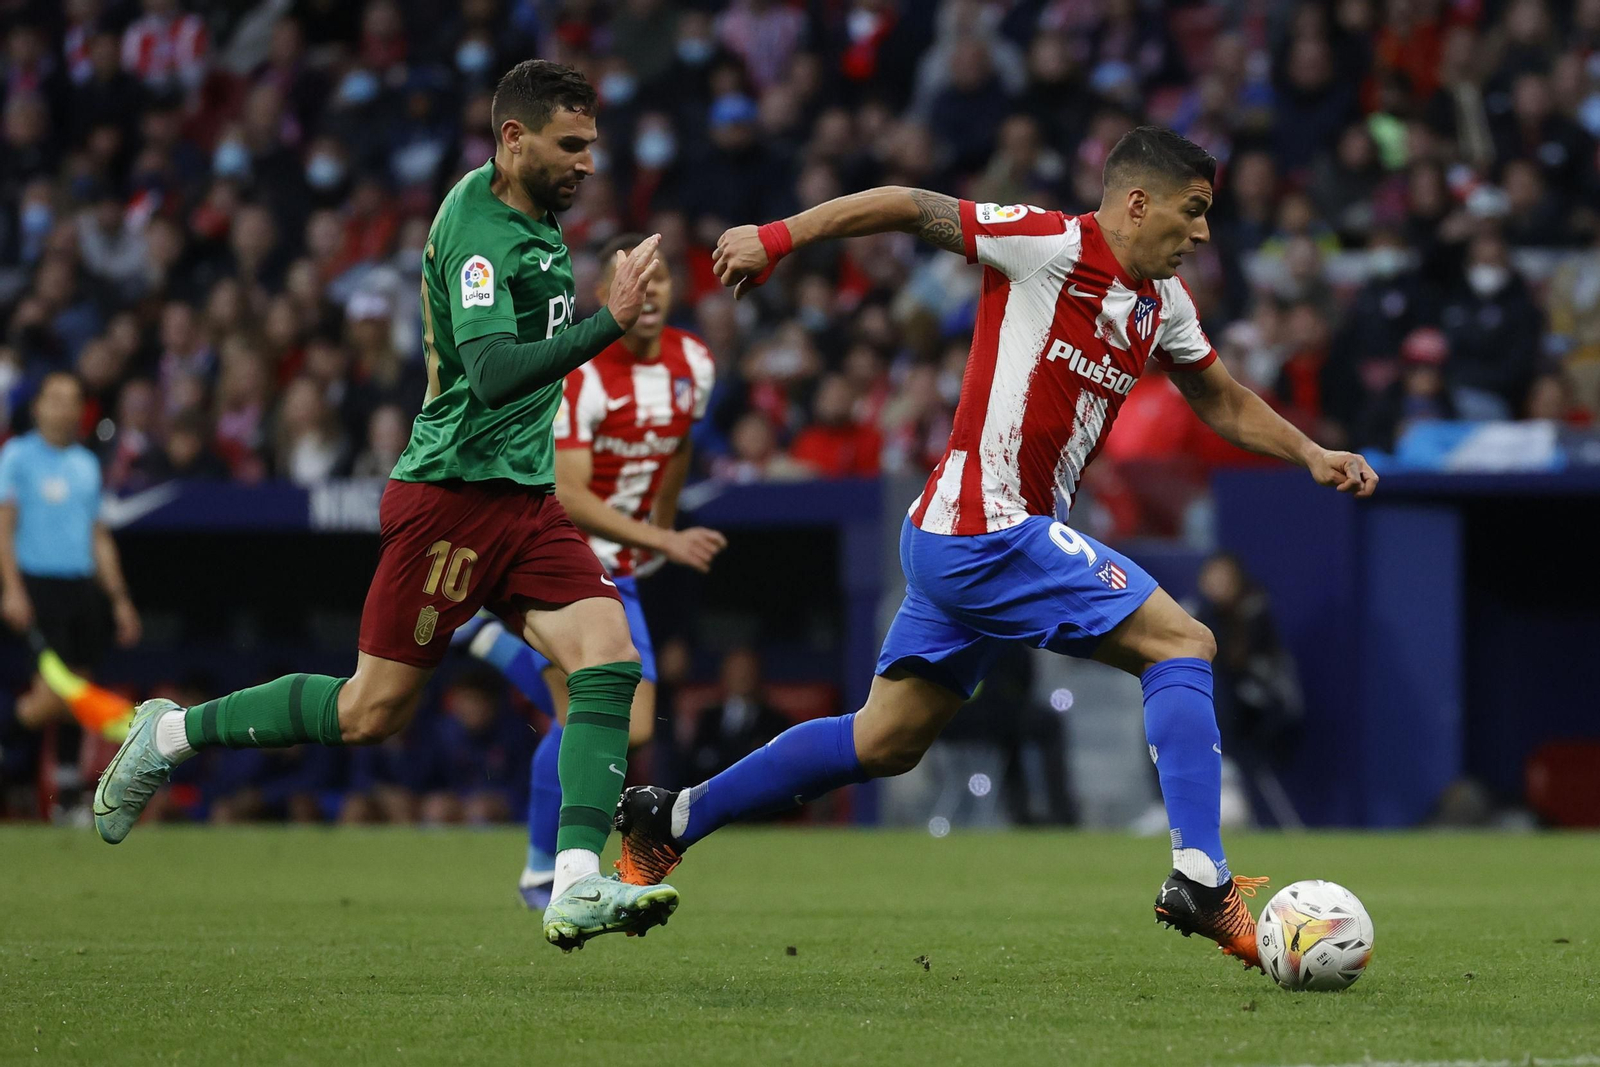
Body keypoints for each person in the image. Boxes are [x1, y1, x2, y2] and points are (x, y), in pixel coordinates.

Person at [614, 126, 1378, 971]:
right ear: (1136, 202)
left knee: (885, 740)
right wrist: (777, 237)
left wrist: (1311, 451)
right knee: (1185, 642)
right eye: (1192, 212)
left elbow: (1223, 400)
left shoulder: (1165, 304)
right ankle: (1201, 876)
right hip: (986, 529)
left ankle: (671, 816)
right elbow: (908, 203)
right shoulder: (1047, 244)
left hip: (965, 540)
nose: (1203, 232)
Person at [92, 60, 678, 951]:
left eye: (592, 146)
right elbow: (487, 377)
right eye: (571, 145)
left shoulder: (536, 214)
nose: (588, 163)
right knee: (372, 711)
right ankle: (168, 732)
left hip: (522, 500)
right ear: (512, 138)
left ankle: (573, 882)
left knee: (607, 657)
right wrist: (608, 320)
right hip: (450, 497)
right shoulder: (482, 231)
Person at [454, 230, 723, 908]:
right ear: (607, 295)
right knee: (598, 718)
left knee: (615, 721)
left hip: (622, 563)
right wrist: (664, 540)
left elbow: (679, 446)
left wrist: (658, 526)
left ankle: (497, 648)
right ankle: (543, 870)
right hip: (561, 556)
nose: (652, 289)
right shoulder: (581, 371)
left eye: (661, 276)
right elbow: (570, 493)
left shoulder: (694, 361)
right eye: (636, 277)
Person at [1, 373, 142, 740]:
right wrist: (12, 590)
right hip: (38, 587)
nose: (64, 408)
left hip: (80, 589)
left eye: (72, 400)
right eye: (56, 398)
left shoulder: (86, 464)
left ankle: (65, 788)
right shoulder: (17, 456)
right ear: (38, 407)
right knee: (52, 696)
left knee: (78, 694)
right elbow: (4, 526)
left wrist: (119, 599)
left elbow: (98, 535)